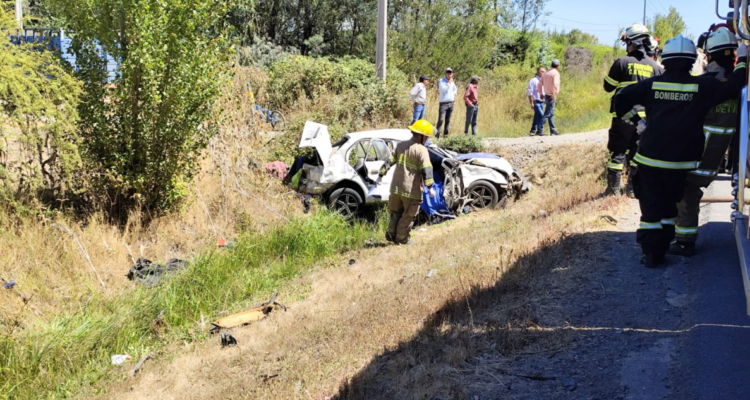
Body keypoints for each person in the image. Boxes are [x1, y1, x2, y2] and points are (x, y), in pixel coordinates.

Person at [615, 34, 747, 267]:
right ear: (691, 61)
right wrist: (743, 61)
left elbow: (621, 98)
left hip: (650, 160)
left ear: (664, 60)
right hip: (680, 165)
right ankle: (664, 246)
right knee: (668, 210)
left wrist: (638, 122)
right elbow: (734, 86)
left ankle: (651, 253)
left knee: (651, 211)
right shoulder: (702, 86)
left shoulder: (651, 85)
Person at [672, 28, 744, 256]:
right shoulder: (738, 85)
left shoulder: (706, 84)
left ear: (710, 55)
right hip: (717, 154)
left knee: (685, 190)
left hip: (699, 154)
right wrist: (742, 61)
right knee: (689, 191)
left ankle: (684, 242)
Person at [603, 23, 664, 197]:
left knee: (617, 152)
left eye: (627, 42)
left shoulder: (622, 62)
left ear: (633, 42)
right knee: (637, 153)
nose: (626, 46)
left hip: (622, 117)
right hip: (644, 120)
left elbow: (608, 87)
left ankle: (613, 191)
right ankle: (633, 190)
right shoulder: (656, 67)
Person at [378, 119, 436, 244]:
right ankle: (401, 239)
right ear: (421, 136)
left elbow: (388, 161)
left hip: (395, 188)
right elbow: (427, 169)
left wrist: (380, 174)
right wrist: (430, 187)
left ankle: (391, 235)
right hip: (411, 190)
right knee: (408, 216)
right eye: (426, 137)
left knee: (395, 213)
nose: (426, 139)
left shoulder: (400, 145)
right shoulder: (421, 150)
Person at [538, 59, 561, 135]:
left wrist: (541, 93)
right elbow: (555, 84)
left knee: (551, 113)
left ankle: (552, 130)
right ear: (558, 66)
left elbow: (539, 84)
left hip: (546, 95)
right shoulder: (555, 73)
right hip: (551, 95)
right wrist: (554, 95)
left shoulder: (546, 73)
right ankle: (540, 130)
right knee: (547, 113)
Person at [436, 68, 457, 139]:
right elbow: (443, 90)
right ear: (445, 74)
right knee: (441, 119)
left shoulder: (452, 82)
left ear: (452, 74)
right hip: (443, 103)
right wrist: (448, 83)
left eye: (450, 73)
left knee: (448, 120)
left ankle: (445, 136)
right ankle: (437, 135)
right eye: (448, 73)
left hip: (451, 103)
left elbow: (454, 88)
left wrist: (454, 93)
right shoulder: (442, 81)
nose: (449, 74)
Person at [527, 66, 546, 136]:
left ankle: (533, 130)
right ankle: (540, 131)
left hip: (542, 102)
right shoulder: (533, 81)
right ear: (538, 72)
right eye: (542, 71)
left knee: (537, 116)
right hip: (536, 102)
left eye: (545, 71)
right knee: (542, 116)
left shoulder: (544, 81)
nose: (544, 73)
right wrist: (531, 103)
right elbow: (530, 93)